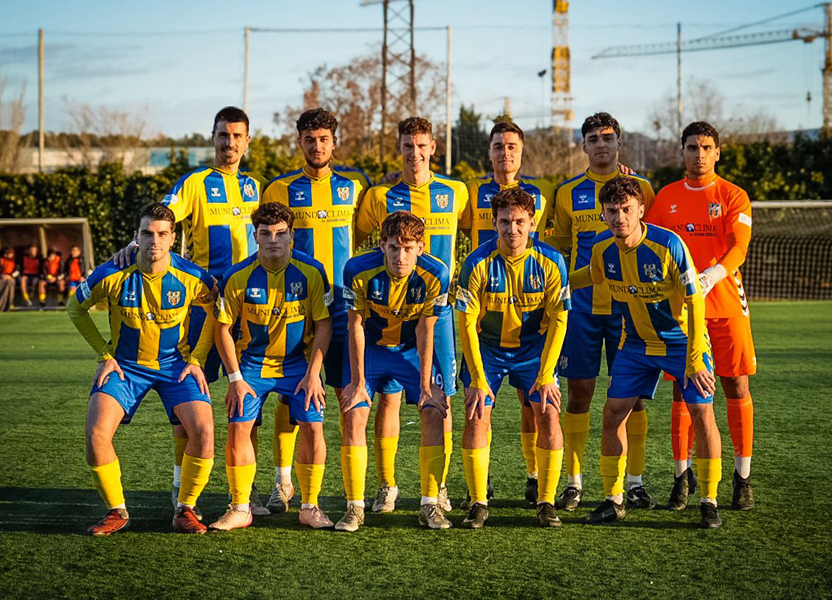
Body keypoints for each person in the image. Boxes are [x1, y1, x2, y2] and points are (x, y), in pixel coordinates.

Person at [115, 106, 266, 516]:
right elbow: (163, 217)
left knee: (247, 400)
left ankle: (249, 491)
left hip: (248, 309)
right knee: (188, 395)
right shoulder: (194, 183)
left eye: (237, 136)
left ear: (247, 141)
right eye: (223, 135)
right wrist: (136, 243)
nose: (230, 142)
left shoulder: (256, 187)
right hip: (201, 307)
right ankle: (182, 489)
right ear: (212, 138)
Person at [572, 177, 724, 529]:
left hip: (682, 343)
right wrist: (554, 280)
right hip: (636, 345)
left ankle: (709, 501)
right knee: (613, 414)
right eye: (612, 211)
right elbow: (590, 275)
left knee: (702, 414)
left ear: (641, 210)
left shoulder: (668, 244)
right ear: (603, 213)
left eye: (627, 209)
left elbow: (694, 300)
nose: (619, 217)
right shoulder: (602, 249)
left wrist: (696, 357)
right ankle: (614, 500)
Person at [67, 203, 217, 536]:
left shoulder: (193, 276)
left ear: (173, 238)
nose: (155, 241)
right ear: (136, 236)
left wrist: (196, 359)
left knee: (204, 431)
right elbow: (75, 308)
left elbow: (215, 312)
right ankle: (116, 511)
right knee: (96, 434)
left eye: (163, 234)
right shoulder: (112, 273)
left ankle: (185, 508)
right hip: (125, 366)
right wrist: (104, 354)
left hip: (175, 367)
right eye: (147, 233)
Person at [354, 117, 468, 514]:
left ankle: (439, 487)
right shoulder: (380, 196)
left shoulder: (456, 192)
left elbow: (477, 230)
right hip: (390, 309)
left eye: (421, 145)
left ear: (433, 147)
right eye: (407, 145)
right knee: (388, 397)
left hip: (439, 312)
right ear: (398, 148)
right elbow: (359, 241)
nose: (415, 153)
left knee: (440, 398)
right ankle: (387, 485)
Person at [260, 108, 369, 514]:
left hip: (342, 307)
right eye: (309, 139)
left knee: (346, 394)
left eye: (324, 139)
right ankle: (283, 482)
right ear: (299, 142)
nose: (317, 146)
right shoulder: (280, 188)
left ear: (334, 143)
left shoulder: (356, 187)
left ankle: (350, 491)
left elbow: (368, 237)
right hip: (295, 308)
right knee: (290, 397)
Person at [550, 112, 657, 512]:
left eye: (607, 137)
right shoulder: (567, 192)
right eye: (593, 138)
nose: (600, 144)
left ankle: (634, 483)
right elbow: (560, 246)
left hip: (631, 310)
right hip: (583, 310)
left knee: (633, 398)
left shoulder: (643, 188)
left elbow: (651, 241)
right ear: (583, 145)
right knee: (579, 393)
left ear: (618, 143)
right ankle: (574, 482)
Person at [647, 121, 756, 510]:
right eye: (692, 147)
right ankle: (682, 476)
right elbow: (650, 244)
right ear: (682, 152)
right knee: (683, 389)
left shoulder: (733, 196)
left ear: (717, 153)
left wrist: (712, 274)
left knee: (735, 385)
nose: (699, 154)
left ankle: (742, 478)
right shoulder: (667, 197)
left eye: (706, 147)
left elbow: (740, 246)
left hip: (725, 304)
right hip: (681, 311)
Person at [209, 202, 334, 531]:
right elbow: (222, 329)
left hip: (297, 364)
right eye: (265, 233)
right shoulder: (237, 276)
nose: (273, 239)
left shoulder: (312, 272)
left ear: (292, 235)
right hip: (252, 364)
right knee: (239, 426)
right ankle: (240, 506)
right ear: (255, 236)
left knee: (313, 426)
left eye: (280, 233)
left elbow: (324, 324)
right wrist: (235, 379)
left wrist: (314, 374)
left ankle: (310, 506)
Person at [456, 187, 570, 528]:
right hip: (488, 348)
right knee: (477, 414)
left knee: (548, 412)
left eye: (520, 221)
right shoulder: (476, 262)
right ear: (494, 223)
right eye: (504, 221)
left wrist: (546, 375)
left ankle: (546, 501)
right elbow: (466, 324)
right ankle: (478, 501)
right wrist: (478, 379)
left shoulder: (552, 261)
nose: (512, 229)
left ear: (533, 223)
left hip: (534, 348)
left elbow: (560, 320)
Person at [336, 211, 451, 531]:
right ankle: (355, 507)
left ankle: (430, 504)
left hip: (411, 349)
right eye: (393, 248)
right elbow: (356, 325)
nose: (400, 256)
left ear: (421, 248)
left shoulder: (436, 273)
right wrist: (358, 382)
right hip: (372, 347)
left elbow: (426, 330)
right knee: (355, 411)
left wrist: (426, 386)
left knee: (433, 410)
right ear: (382, 245)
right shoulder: (357, 269)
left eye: (408, 248)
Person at [461, 120, 555, 506]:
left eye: (512, 146)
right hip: (487, 304)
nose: (505, 152)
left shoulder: (544, 192)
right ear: (489, 152)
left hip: (529, 307)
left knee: (532, 404)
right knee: (479, 406)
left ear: (522, 150)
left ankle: (534, 477)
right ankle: (480, 486)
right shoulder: (469, 192)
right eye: (498, 146)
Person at [19, 243, 42, 307]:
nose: (33, 252)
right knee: (22, 280)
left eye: (35, 250)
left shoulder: (40, 258)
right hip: (25, 275)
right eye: (31, 250)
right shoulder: (23, 258)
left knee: (35, 282)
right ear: (28, 251)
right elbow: (19, 268)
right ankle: (26, 298)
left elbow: (42, 269)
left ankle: (31, 298)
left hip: (35, 275)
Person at [0, 247, 19, 311]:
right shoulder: (1, 260)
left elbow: (17, 271)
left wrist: (10, 276)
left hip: (10, 277)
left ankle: (9, 303)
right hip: (2, 277)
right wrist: (2, 275)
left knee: (10, 282)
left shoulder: (15, 261)